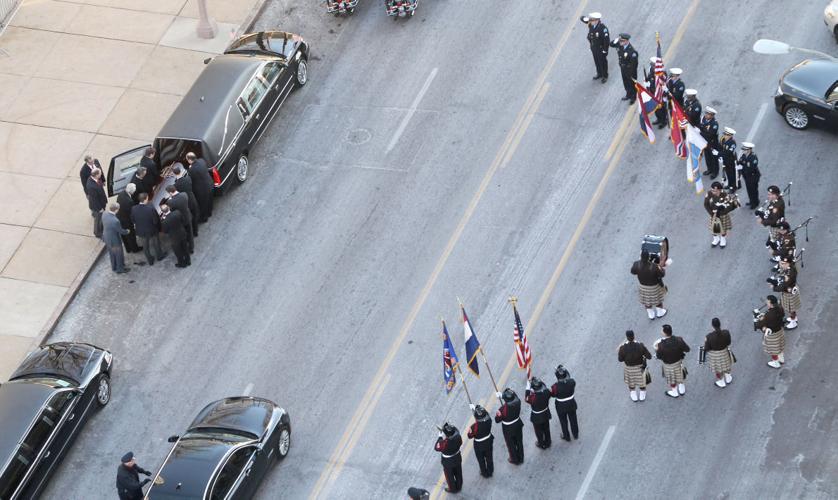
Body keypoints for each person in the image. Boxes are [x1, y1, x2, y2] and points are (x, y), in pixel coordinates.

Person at [654, 324, 690, 398]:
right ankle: (682, 388)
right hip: (679, 361)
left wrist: (657, 350)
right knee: (680, 374)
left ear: (664, 333)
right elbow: (687, 349)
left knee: (671, 378)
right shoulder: (679, 339)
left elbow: (658, 356)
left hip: (668, 364)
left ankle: (674, 392)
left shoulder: (660, 345)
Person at [630, 249, 667, 320]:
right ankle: (660, 312)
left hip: (643, 286)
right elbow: (662, 275)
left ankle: (651, 314)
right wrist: (661, 267)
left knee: (647, 301)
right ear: (649, 257)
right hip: (654, 286)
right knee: (657, 300)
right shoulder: (654, 266)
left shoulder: (636, 264)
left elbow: (632, 272)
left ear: (640, 256)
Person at [131, 193, 167, 266]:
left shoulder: (134, 208)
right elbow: (155, 221)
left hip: (141, 231)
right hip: (152, 230)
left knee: (145, 247)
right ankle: (159, 256)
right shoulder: (150, 208)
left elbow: (133, 219)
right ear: (145, 199)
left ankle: (150, 260)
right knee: (156, 243)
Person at [618, 330, 652, 402]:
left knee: (631, 383)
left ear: (627, 337)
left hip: (629, 369)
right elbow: (649, 356)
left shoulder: (622, 348)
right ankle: (642, 395)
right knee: (642, 382)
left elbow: (620, 359)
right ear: (634, 336)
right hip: (640, 368)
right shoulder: (640, 345)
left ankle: (634, 395)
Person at [494, 387, 524, 464]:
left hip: (508, 428)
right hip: (517, 424)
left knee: (511, 445)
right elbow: (514, 395)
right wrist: (502, 396)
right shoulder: (518, 401)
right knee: (519, 442)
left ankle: (514, 459)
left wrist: (498, 415)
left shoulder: (503, 409)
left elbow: (497, 420)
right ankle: (521, 457)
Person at [704, 181, 737, 248]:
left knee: (723, 228)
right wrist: (711, 213)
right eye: (712, 190)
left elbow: (730, 206)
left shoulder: (725, 195)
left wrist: (721, 212)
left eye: (715, 191)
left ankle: (723, 239)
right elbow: (706, 204)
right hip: (713, 214)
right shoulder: (709, 193)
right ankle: (716, 239)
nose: (713, 192)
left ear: (719, 190)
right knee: (714, 228)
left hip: (722, 215)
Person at [756, 295, 786, 368]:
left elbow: (761, 324)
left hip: (772, 334)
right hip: (780, 330)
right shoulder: (780, 308)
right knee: (780, 346)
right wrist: (764, 316)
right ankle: (781, 359)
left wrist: (759, 318)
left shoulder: (769, 315)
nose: (766, 302)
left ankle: (775, 362)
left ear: (771, 303)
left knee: (773, 349)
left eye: (767, 301)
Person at [703, 318, 733, 388]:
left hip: (715, 355)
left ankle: (721, 381)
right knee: (726, 365)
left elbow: (707, 348)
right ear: (720, 324)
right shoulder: (726, 332)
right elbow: (729, 342)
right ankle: (728, 377)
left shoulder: (709, 337)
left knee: (718, 369)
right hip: (724, 352)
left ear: (712, 326)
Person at [550, 365, 578, 441]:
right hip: (571, 404)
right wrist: (564, 370)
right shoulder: (572, 382)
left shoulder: (555, 387)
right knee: (573, 420)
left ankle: (567, 436)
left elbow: (552, 394)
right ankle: (575, 434)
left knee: (563, 422)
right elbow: (569, 377)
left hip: (561, 406)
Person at [164, 184, 194, 253]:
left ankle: (185, 248)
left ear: (170, 193)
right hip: (187, 216)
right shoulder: (184, 194)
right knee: (190, 233)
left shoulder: (170, 202)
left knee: (184, 235)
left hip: (180, 220)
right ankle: (191, 248)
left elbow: (171, 210)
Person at [466, 404, 494, 478]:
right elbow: (486, 413)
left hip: (479, 444)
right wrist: (477, 408)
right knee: (489, 457)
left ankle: (484, 472)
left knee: (481, 459)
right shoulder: (489, 420)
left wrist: (475, 410)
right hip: (488, 440)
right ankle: (490, 471)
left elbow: (469, 436)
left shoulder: (474, 426)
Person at [580, 12, 609, 83]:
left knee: (602, 62)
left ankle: (605, 75)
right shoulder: (591, 25)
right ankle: (599, 73)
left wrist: (605, 50)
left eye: (592, 20)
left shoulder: (602, 29)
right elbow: (583, 19)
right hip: (594, 47)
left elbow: (606, 41)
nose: (590, 21)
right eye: (590, 20)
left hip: (600, 48)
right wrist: (584, 18)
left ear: (597, 20)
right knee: (597, 61)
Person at [434, 423, 463, 493]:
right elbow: (456, 431)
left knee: (449, 476)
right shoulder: (458, 436)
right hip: (457, 457)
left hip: (448, 461)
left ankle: (452, 489)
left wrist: (440, 436)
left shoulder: (444, 443)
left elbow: (437, 447)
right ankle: (459, 486)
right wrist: (448, 427)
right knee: (458, 472)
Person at [185, 152, 214, 221]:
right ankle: (209, 213)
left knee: (202, 204)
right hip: (209, 184)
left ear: (189, 160)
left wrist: (189, 168)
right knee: (209, 200)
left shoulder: (191, 170)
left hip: (202, 190)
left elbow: (190, 179)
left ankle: (204, 218)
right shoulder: (202, 160)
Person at [524, 376, 552, 449]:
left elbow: (526, 398)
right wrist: (536, 381)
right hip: (546, 413)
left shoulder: (533, 398)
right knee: (546, 429)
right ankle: (548, 442)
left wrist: (528, 388)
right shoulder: (546, 392)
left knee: (538, 432)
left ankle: (541, 444)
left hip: (537, 417)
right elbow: (544, 386)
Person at [774, 255, 800, 330]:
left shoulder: (791, 272)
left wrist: (775, 287)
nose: (782, 265)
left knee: (790, 308)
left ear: (788, 263)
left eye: (783, 263)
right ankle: (794, 319)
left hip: (790, 292)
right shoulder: (789, 268)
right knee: (790, 307)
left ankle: (793, 322)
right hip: (788, 291)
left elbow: (784, 284)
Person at [610, 33, 638, 102]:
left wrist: (631, 74)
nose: (620, 42)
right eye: (620, 41)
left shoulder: (632, 51)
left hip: (630, 70)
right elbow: (611, 44)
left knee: (632, 84)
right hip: (623, 68)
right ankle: (628, 94)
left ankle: (633, 97)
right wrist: (616, 40)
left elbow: (634, 64)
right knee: (625, 82)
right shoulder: (620, 45)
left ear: (626, 41)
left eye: (622, 41)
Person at [103, 202, 129, 273]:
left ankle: (114, 266)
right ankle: (120, 269)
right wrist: (127, 231)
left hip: (106, 237)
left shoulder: (104, 214)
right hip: (114, 241)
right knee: (118, 255)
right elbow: (120, 231)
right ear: (116, 210)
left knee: (112, 254)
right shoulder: (115, 221)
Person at [173, 164, 200, 235]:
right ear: (180, 171)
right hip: (192, 199)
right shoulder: (188, 179)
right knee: (195, 214)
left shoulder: (175, 185)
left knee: (189, 217)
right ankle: (196, 231)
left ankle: (192, 232)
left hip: (186, 203)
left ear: (174, 174)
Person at [116, 183, 142, 253]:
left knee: (124, 235)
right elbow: (131, 213)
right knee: (131, 235)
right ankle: (135, 249)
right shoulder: (129, 201)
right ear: (131, 191)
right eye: (134, 191)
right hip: (126, 221)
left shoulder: (121, 194)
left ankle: (128, 248)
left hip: (119, 217)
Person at [646, 57, 668, 128]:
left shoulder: (662, 73)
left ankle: (664, 121)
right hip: (653, 92)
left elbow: (664, 82)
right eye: (651, 65)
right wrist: (647, 82)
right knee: (656, 108)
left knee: (662, 108)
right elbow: (649, 78)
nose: (651, 66)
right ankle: (659, 119)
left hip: (660, 94)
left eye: (653, 65)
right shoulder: (651, 70)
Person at [86, 168, 107, 239]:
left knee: (101, 218)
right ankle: (97, 232)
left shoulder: (96, 179)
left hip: (102, 203)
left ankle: (102, 227)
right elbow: (94, 199)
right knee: (97, 220)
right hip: (97, 207)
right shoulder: (91, 186)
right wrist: (100, 208)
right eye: (100, 174)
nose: (101, 175)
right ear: (96, 175)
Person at [700, 107, 721, 178]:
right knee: (707, 157)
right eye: (706, 113)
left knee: (714, 158)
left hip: (713, 144)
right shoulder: (703, 119)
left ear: (712, 115)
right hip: (705, 142)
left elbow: (710, 134)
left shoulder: (714, 124)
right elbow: (700, 126)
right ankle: (709, 169)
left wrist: (701, 132)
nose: (706, 115)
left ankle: (715, 172)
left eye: (708, 114)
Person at [738, 142, 760, 208]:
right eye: (743, 150)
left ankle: (755, 202)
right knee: (749, 189)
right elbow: (741, 161)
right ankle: (751, 201)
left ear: (749, 150)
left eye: (745, 150)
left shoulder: (753, 157)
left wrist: (742, 167)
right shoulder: (744, 155)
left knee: (753, 190)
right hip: (747, 176)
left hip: (753, 176)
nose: (743, 151)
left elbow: (751, 168)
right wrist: (738, 163)